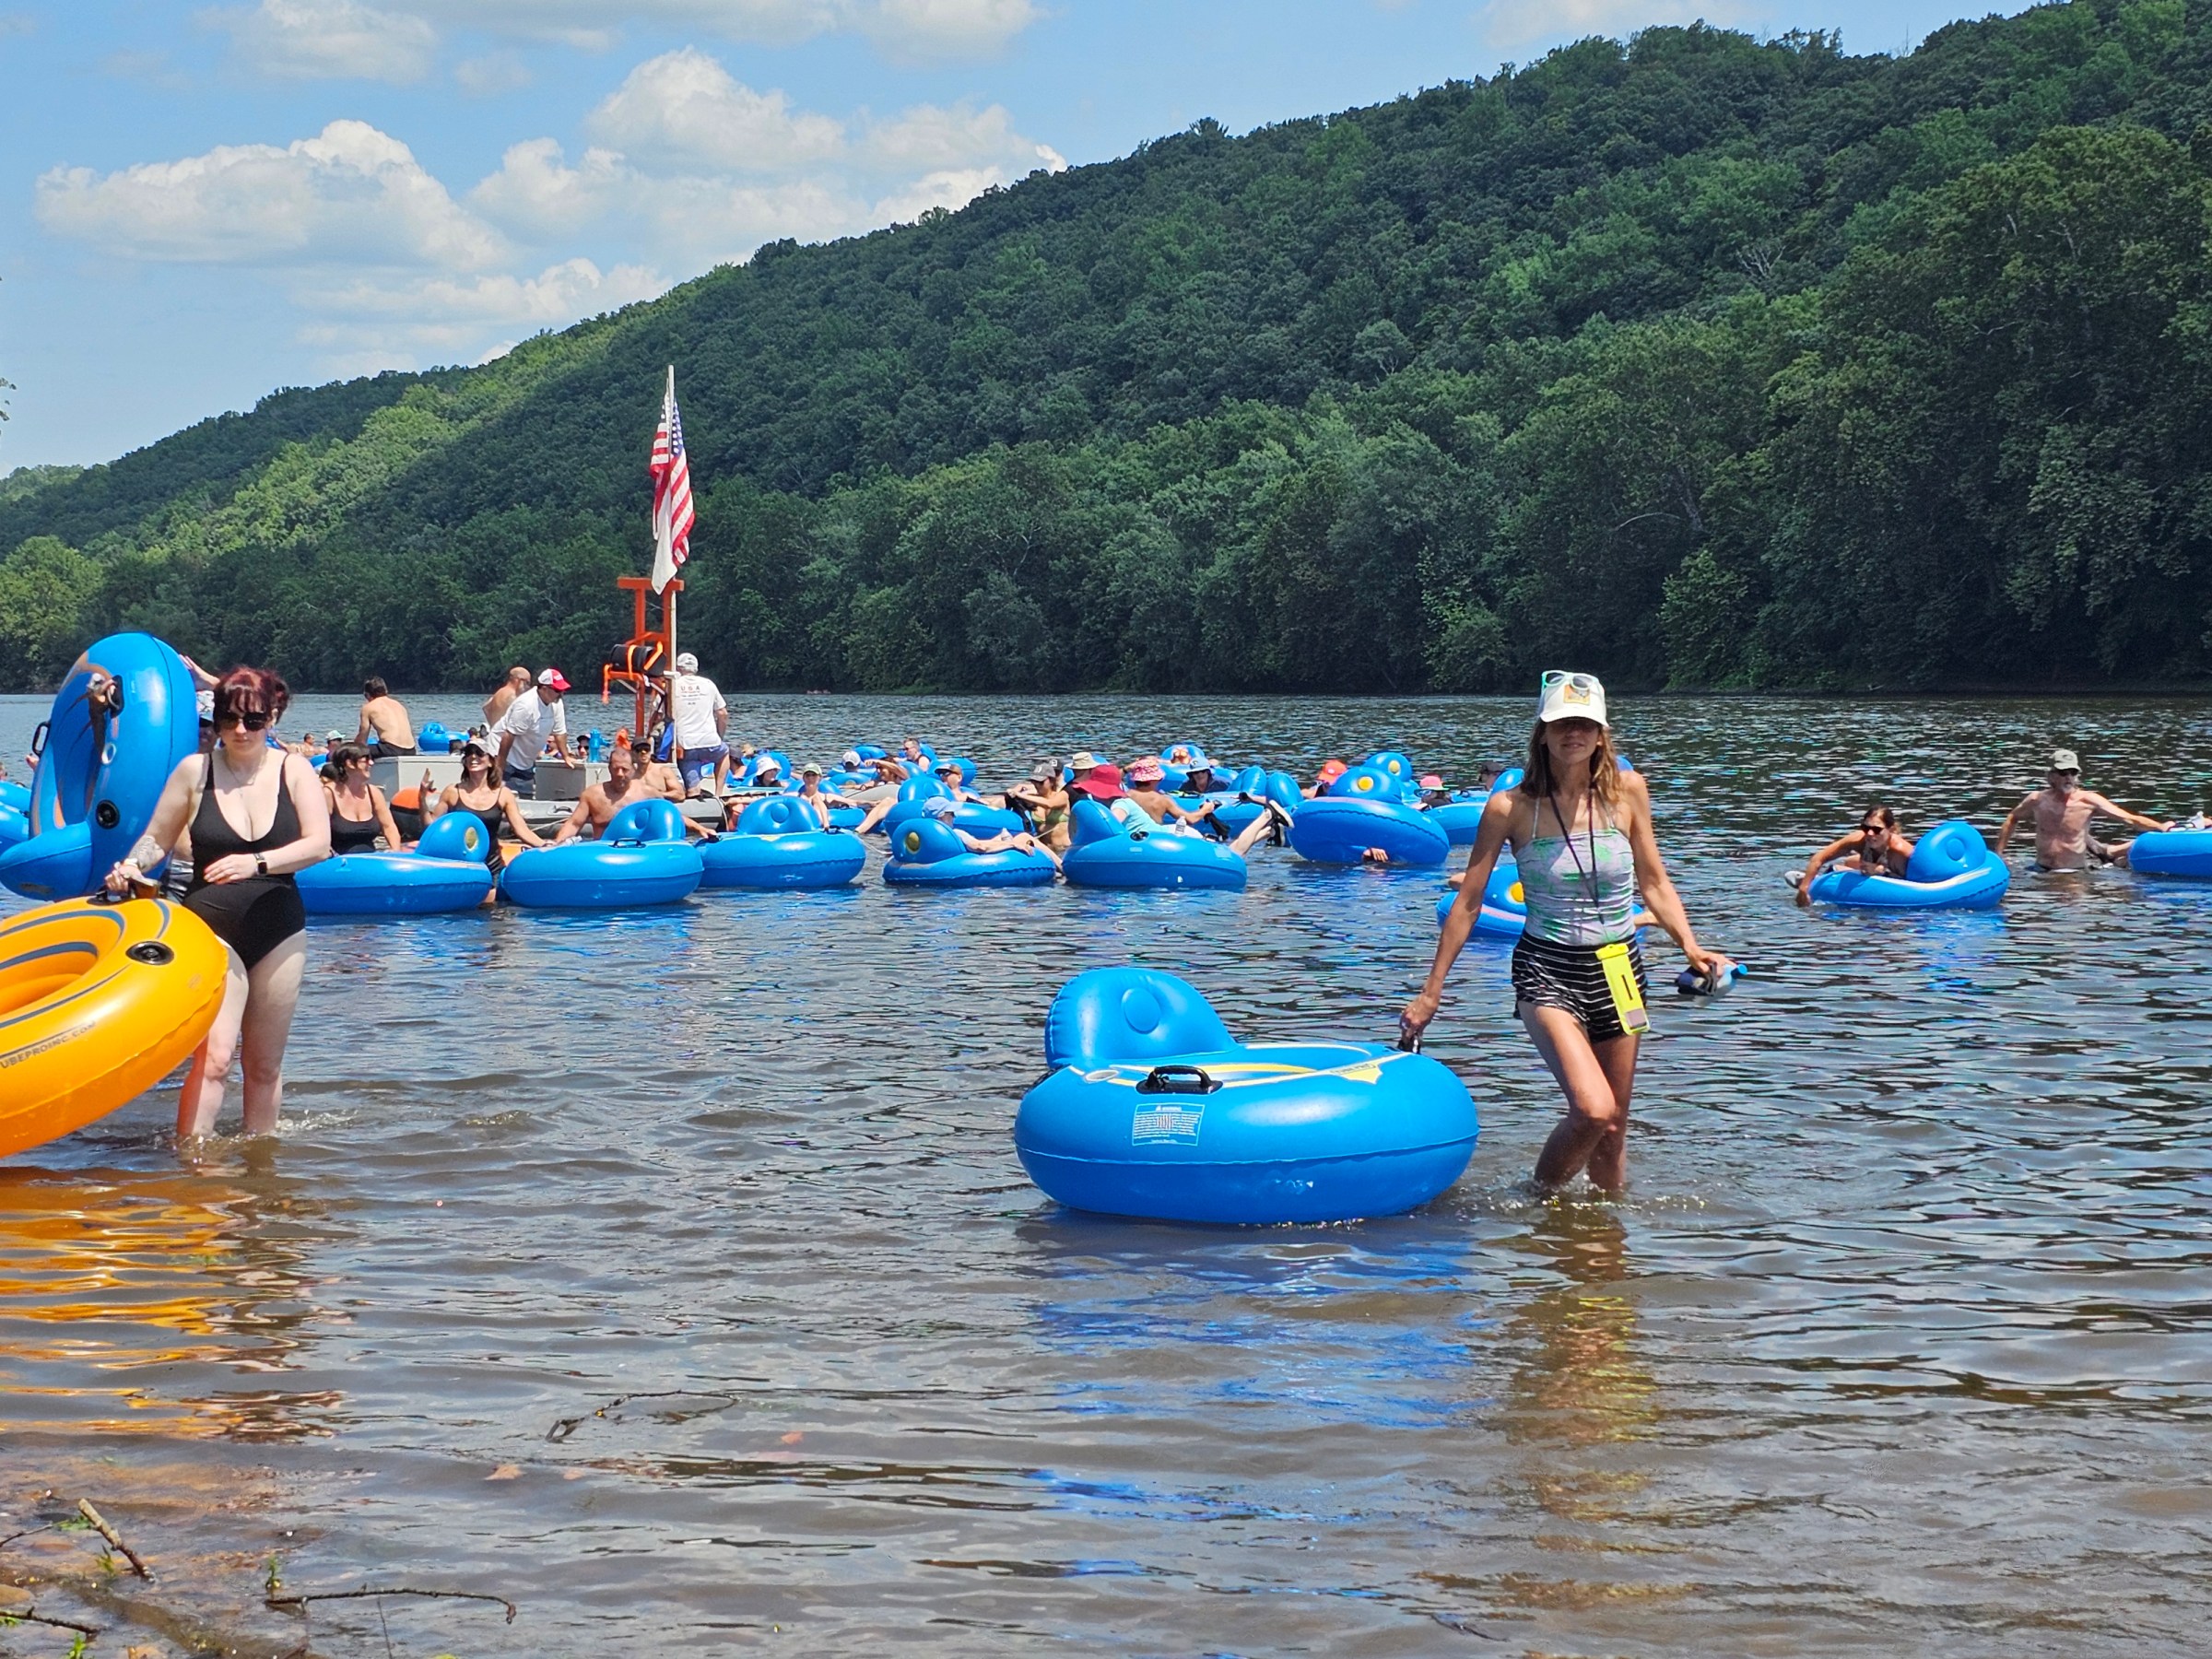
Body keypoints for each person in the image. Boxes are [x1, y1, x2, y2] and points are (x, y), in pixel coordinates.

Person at [1402, 671, 1731, 1195]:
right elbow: (1468, 902)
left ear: (1601, 733)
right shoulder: (1511, 806)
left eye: (1584, 723)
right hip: (1547, 968)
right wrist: (1431, 991)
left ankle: (1604, 1251)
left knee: (1614, 1129)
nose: (1572, 733)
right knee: (1592, 1110)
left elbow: (1654, 881)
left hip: (1620, 969)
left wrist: (1688, 944)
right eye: (1561, 723)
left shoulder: (1629, 792)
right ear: (1542, 731)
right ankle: (1536, 1204)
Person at [104, 666, 331, 1139]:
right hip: (211, 928)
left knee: (264, 1065)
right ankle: (193, 1160)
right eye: (229, 720)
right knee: (215, 1059)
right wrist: (131, 866)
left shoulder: (294, 771)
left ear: (273, 716)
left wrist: (258, 863)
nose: (240, 731)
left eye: (253, 720)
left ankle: (262, 1162)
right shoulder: (195, 771)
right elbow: (155, 839)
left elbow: (317, 844)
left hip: (279, 929)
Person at [1994, 748, 2172, 871]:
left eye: (2073, 773)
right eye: (2063, 773)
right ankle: (2111, 855)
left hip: (2074, 872)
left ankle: (2114, 856)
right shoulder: (2037, 800)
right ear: (2051, 776)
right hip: (2040, 869)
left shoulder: (2088, 800)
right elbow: (2012, 817)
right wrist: (1999, 854)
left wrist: (2161, 827)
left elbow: (2130, 819)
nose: (2069, 778)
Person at [419, 737, 545, 870]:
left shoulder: (503, 794)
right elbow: (431, 826)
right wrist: (421, 797)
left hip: (491, 863)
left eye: (479, 753)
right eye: (468, 753)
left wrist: (545, 846)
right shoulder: (453, 792)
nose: (473, 757)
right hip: (459, 863)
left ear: (491, 761)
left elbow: (521, 830)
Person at [1792, 807, 1915, 902]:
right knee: (1849, 862)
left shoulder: (1902, 851)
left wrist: (1880, 872)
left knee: (1864, 865)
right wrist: (1804, 887)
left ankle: (1821, 879)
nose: (1870, 833)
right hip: (1871, 865)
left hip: (1896, 876)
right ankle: (1816, 879)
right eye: (1866, 828)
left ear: (1891, 830)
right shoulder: (1858, 840)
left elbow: (1916, 882)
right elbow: (1819, 857)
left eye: (1877, 829)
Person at [492, 669, 576, 799]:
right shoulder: (526, 705)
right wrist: (499, 767)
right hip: (504, 756)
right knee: (503, 799)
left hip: (526, 761)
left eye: (563, 690)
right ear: (543, 688)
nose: (561, 694)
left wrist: (566, 756)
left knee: (526, 798)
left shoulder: (556, 703)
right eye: (558, 690)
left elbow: (560, 733)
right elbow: (508, 736)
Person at [552, 740, 654, 843]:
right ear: (609, 768)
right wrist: (557, 843)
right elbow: (574, 824)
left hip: (636, 852)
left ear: (633, 769)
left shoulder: (648, 794)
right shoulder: (592, 795)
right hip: (603, 851)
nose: (619, 774)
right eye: (616, 769)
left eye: (624, 769)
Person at [921, 794, 1062, 870]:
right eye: (951, 813)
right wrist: (1013, 844)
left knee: (1004, 837)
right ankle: (1062, 867)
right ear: (941, 815)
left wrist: (998, 839)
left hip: (953, 860)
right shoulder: (955, 833)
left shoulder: (926, 835)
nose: (954, 816)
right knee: (1024, 836)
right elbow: (979, 847)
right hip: (970, 863)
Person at [665, 652, 730, 796]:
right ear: (696, 668)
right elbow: (722, 713)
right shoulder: (708, 684)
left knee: (693, 788)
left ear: (678, 668)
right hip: (710, 741)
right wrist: (719, 736)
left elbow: (657, 713)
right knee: (724, 753)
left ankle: (694, 794)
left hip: (686, 745)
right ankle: (719, 794)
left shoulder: (672, 686)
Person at [323, 743, 404, 855]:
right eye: (366, 760)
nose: (371, 763)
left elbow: (389, 826)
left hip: (368, 861)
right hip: (338, 862)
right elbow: (318, 835)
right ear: (349, 763)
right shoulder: (328, 794)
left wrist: (395, 851)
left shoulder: (373, 793)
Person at [1005, 762, 1073, 850]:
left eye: (1040, 782)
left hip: (1064, 849)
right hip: (1045, 850)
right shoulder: (1031, 799)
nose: (1037, 785)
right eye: (1034, 781)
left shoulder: (1062, 796)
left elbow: (1050, 804)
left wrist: (1020, 795)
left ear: (1052, 781)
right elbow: (1001, 803)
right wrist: (1011, 793)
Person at [354, 677, 416, 758]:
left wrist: (353, 749)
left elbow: (362, 736)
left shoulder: (368, 707)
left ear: (368, 695)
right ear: (385, 691)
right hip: (411, 750)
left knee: (353, 752)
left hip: (390, 749)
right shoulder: (399, 705)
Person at [483, 665, 532, 729]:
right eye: (527, 683)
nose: (528, 687)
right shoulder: (513, 696)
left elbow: (485, 708)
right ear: (519, 680)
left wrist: (493, 726)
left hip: (495, 734)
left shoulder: (499, 692)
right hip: (505, 736)